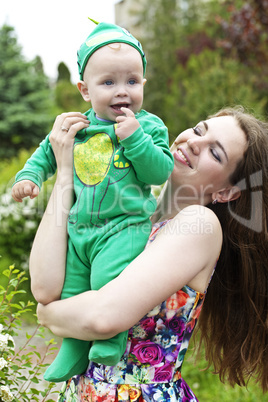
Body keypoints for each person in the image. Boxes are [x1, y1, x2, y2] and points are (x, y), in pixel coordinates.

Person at [31, 106, 268, 400]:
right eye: (198, 130)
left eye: (215, 153)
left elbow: (103, 317)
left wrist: (47, 313)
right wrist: (64, 168)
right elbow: (43, 285)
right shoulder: (131, 216)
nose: (193, 142)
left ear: (227, 193)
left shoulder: (199, 224)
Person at [11, 21, 174, 382]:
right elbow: (45, 155)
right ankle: (72, 347)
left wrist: (135, 140)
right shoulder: (75, 126)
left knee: (107, 280)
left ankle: (110, 338)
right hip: (78, 229)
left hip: (124, 226)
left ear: (143, 84)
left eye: (132, 81)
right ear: (85, 90)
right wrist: (29, 177)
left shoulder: (148, 126)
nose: (122, 92)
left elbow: (159, 171)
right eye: (108, 83)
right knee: (72, 287)